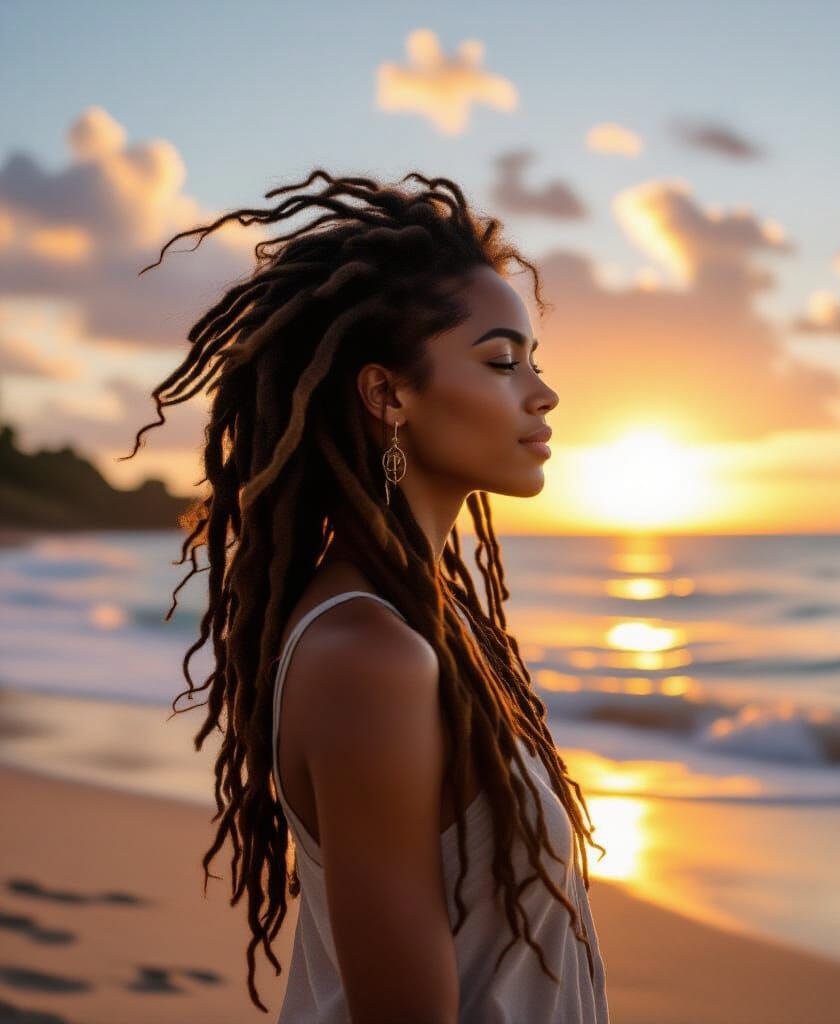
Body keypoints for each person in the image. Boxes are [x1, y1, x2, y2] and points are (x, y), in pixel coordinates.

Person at [122, 169, 609, 1022]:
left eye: (535, 357)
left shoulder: (432, 623)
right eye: (501, 360)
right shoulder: (369, 656)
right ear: (388, 395)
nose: (543, 391)